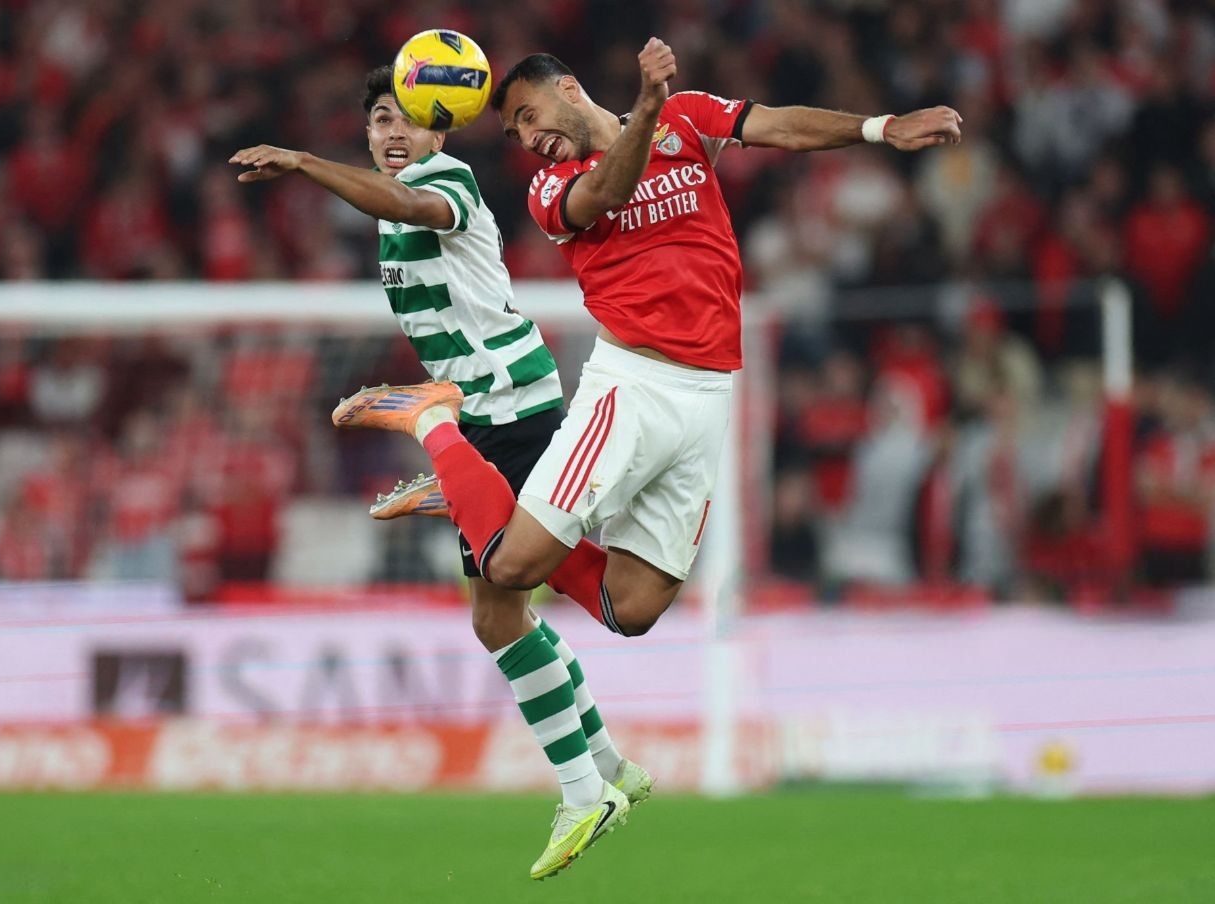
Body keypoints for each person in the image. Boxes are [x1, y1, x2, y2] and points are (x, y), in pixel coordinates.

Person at [336, 38, 961, 635]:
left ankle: (481, 495)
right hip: (631, 390)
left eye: (528, 116)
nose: (528, 139)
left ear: (568, 89)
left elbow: (780, 126)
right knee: (511, 567)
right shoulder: (549, 189)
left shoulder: (684, 119)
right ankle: (435, 426)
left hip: (709, 394)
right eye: (514, 135)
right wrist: (647, 106)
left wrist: (880, 128)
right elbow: (611, 187)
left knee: (630, 609)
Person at [229, 65, 647, 881]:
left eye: (410, 121)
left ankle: (584, 792)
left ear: (441, 128)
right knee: (505, 614)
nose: (394, 134)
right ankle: (608, 768)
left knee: (500, 617)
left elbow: (408, 205)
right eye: (381, 121)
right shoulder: (397, 200)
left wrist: (305, 163)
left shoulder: (444, 180)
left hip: (511, 412)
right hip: (488, 414)